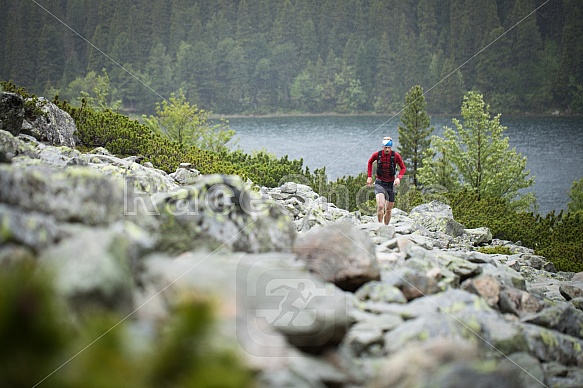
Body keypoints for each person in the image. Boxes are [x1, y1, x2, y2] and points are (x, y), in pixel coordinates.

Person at [366, 136, 406, 225]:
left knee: (388, 209)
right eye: (385, 147)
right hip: (379, 182)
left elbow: (403, 168)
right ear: (382, 147)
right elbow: (370, 162)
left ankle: (386, 227)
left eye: (389, 147)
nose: (387, 149)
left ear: (391, 147)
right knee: (380, 206)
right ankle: (379, 225)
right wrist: (369, 176)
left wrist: (398, 178)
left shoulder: (396, 156)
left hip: (391, 184)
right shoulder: (377, 155)